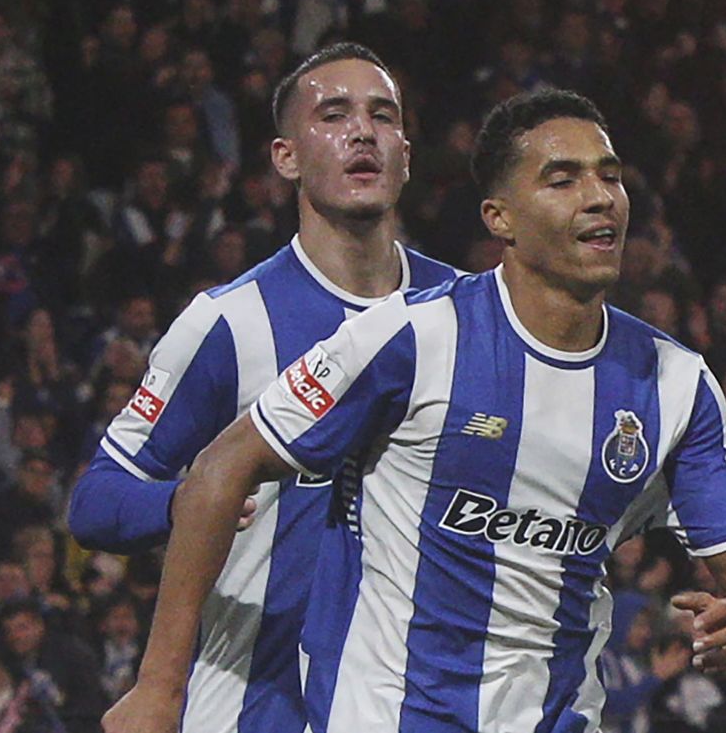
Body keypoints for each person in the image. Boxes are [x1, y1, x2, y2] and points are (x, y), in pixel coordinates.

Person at [101, 88, 726, 733]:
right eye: (563, 179)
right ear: (500, 218)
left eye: (609, 175)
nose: (599, 198)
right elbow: (223, 466)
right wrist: (160, 687)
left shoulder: (674, 381)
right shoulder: (408, 337)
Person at [67, 42, 457, 733]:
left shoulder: (464, 314)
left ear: (406, 154)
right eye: (333, 114)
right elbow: (97, 500)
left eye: (382, 115)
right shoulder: (229, 322)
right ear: (286, 157)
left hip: (413, 702)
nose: (362, 131)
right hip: (252, 701)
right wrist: (186, 501)